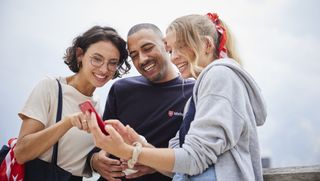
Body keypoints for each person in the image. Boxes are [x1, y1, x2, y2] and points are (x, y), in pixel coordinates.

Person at [87, 12, 267, 181]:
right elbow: (181, 167)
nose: (174, 57)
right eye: (172, 50)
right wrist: (140, 144)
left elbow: (194, 158)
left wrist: (128, 151)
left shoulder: (219, 75)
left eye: (180, 47)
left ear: (206, 45)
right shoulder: (195, 99)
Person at [13, 25, 130, 180]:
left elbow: (77, 159)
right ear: (80, 54)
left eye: (112, 62)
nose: (104, 69)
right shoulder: (50, 88)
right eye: (97, 59)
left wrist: (95, 163)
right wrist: (67, 122)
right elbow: (21, 153)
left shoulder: (98, 108)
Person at [87, 23, 195, 181]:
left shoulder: (194, 93)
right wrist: (95, 161)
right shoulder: (121, 89)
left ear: (166, 45)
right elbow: (101, 145)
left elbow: (194, 159)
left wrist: (154, 162)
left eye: (147, 48)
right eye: (134, 55)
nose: (142, 59)